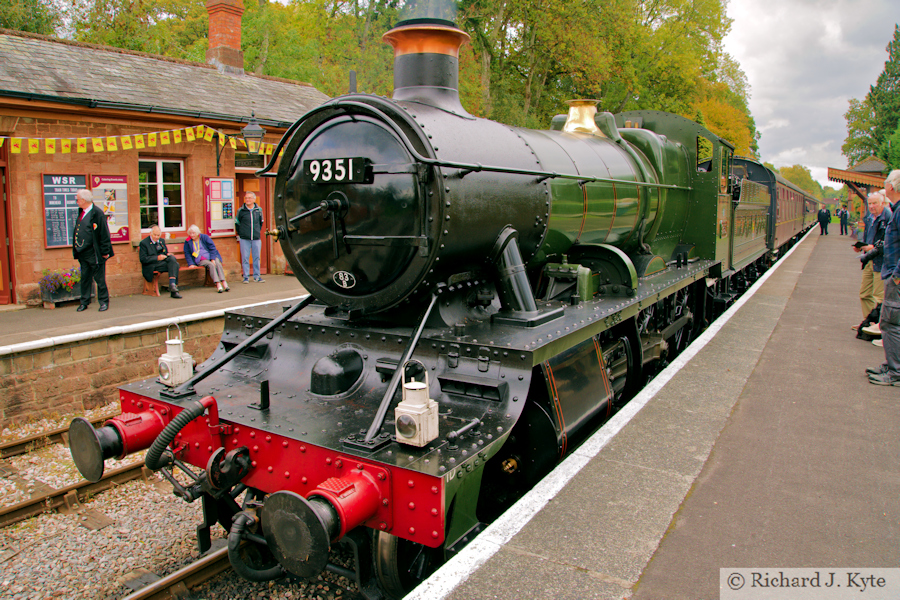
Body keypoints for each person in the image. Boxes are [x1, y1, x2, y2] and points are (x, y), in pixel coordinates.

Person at [869, 171, 900, 385]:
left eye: (886, 182)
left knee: (890, 323)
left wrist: (896, 277)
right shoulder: (897, 210)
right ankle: (891, 365)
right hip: (893, 273)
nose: (884, 185)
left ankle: (895, 371)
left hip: (896, 277)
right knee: (890, 322)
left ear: (892, 187)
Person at [72, 189, 113, 312]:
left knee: (99, 279)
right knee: (85, 278)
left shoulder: (97, 213)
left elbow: (104, 234)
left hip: (94, 253)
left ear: (83, 200)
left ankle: (103, 302)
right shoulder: (82, 212)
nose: (77, 201)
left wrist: (105, 251)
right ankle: (84, 302)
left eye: (78, 199)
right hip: (83, 252)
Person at [856, 193, 891, 320]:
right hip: (869, 259)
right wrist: (861, 246)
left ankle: (880, 327)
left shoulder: (889, 218)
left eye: (874, 203)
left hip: (881, 261)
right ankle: (868, 322)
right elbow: (868, 238)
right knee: (864, 294)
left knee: (879, 296)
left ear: (882, 203)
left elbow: (892, 242)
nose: (871, 206)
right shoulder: (869, 218)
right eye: (869, 203)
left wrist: (873, 247)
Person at [139, 225, 182, 299]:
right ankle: (173, 288)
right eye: (154, 235)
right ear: (150, 233)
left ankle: (172, 286)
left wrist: (167, 254)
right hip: (151, 265)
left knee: (172, 259)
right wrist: (157, 258)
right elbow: (143, 259)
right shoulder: (144, 243)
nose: (156, 237)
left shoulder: (161, 241)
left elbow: (165, 252)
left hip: (162, 263)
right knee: (175, 264)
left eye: (158, 235)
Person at [184, 225, 230, 292]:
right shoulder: (188, 241)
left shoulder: (204, 237)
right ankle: (218, 284)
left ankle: (224, 282)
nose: (191, 235)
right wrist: (191, 263)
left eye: (193, 233)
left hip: (211, 256)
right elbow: (187, 253)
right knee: (211, 265)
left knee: (217, 263)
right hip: (200, 259)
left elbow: (212, 248)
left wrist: (212, 259)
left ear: (197, 233)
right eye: (190, 233)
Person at [236, 191, 264, 283]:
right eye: (246, 198)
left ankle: (257, 276)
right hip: (244, 238)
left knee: (256, 257)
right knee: (245, 258)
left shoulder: (259, 210)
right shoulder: (241, 210)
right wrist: (241, 234)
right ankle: (246, 277)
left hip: (256, 238)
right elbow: (237, 223)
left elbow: (261, 223)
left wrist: (256, 232)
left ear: (254, 199)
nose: (247, 200)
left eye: (249, 198)